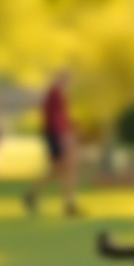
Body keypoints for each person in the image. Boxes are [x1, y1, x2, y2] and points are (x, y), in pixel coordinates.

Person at [23, 70, 81, 217]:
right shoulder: (54, 95)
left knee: (60, 169)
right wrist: (63, 136)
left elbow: (64, 116)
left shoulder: (59, 95)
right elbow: (54, 118)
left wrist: (72, 128)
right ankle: (68, 204)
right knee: (65, 168)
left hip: (60, 134)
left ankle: (33, 195)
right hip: (56, 134)